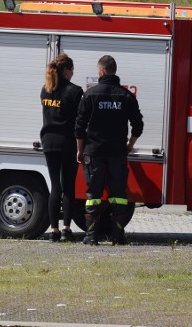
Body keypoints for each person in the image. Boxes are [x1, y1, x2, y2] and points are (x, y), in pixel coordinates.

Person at [75, 55, 143, 246]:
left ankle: (90, 237)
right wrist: (130, 145)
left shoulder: (90, 95)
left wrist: (80, 150)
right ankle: (118, 236)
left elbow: (79, 126)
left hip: (93, 152)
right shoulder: (126, 95)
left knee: (93, 196)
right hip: (118, 153)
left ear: (102, 71)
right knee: (119, 196)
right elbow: (138, 124)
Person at [40, 53, 84, 242]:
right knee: (68, 187)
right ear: (67, 71)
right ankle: (66, 229)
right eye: (72, 70)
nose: (73, 73)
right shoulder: (75, 91)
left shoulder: (45, 90)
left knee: (54, 186)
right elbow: (79, 121)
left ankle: (53, 231)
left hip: (48, 142)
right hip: (67, 143)